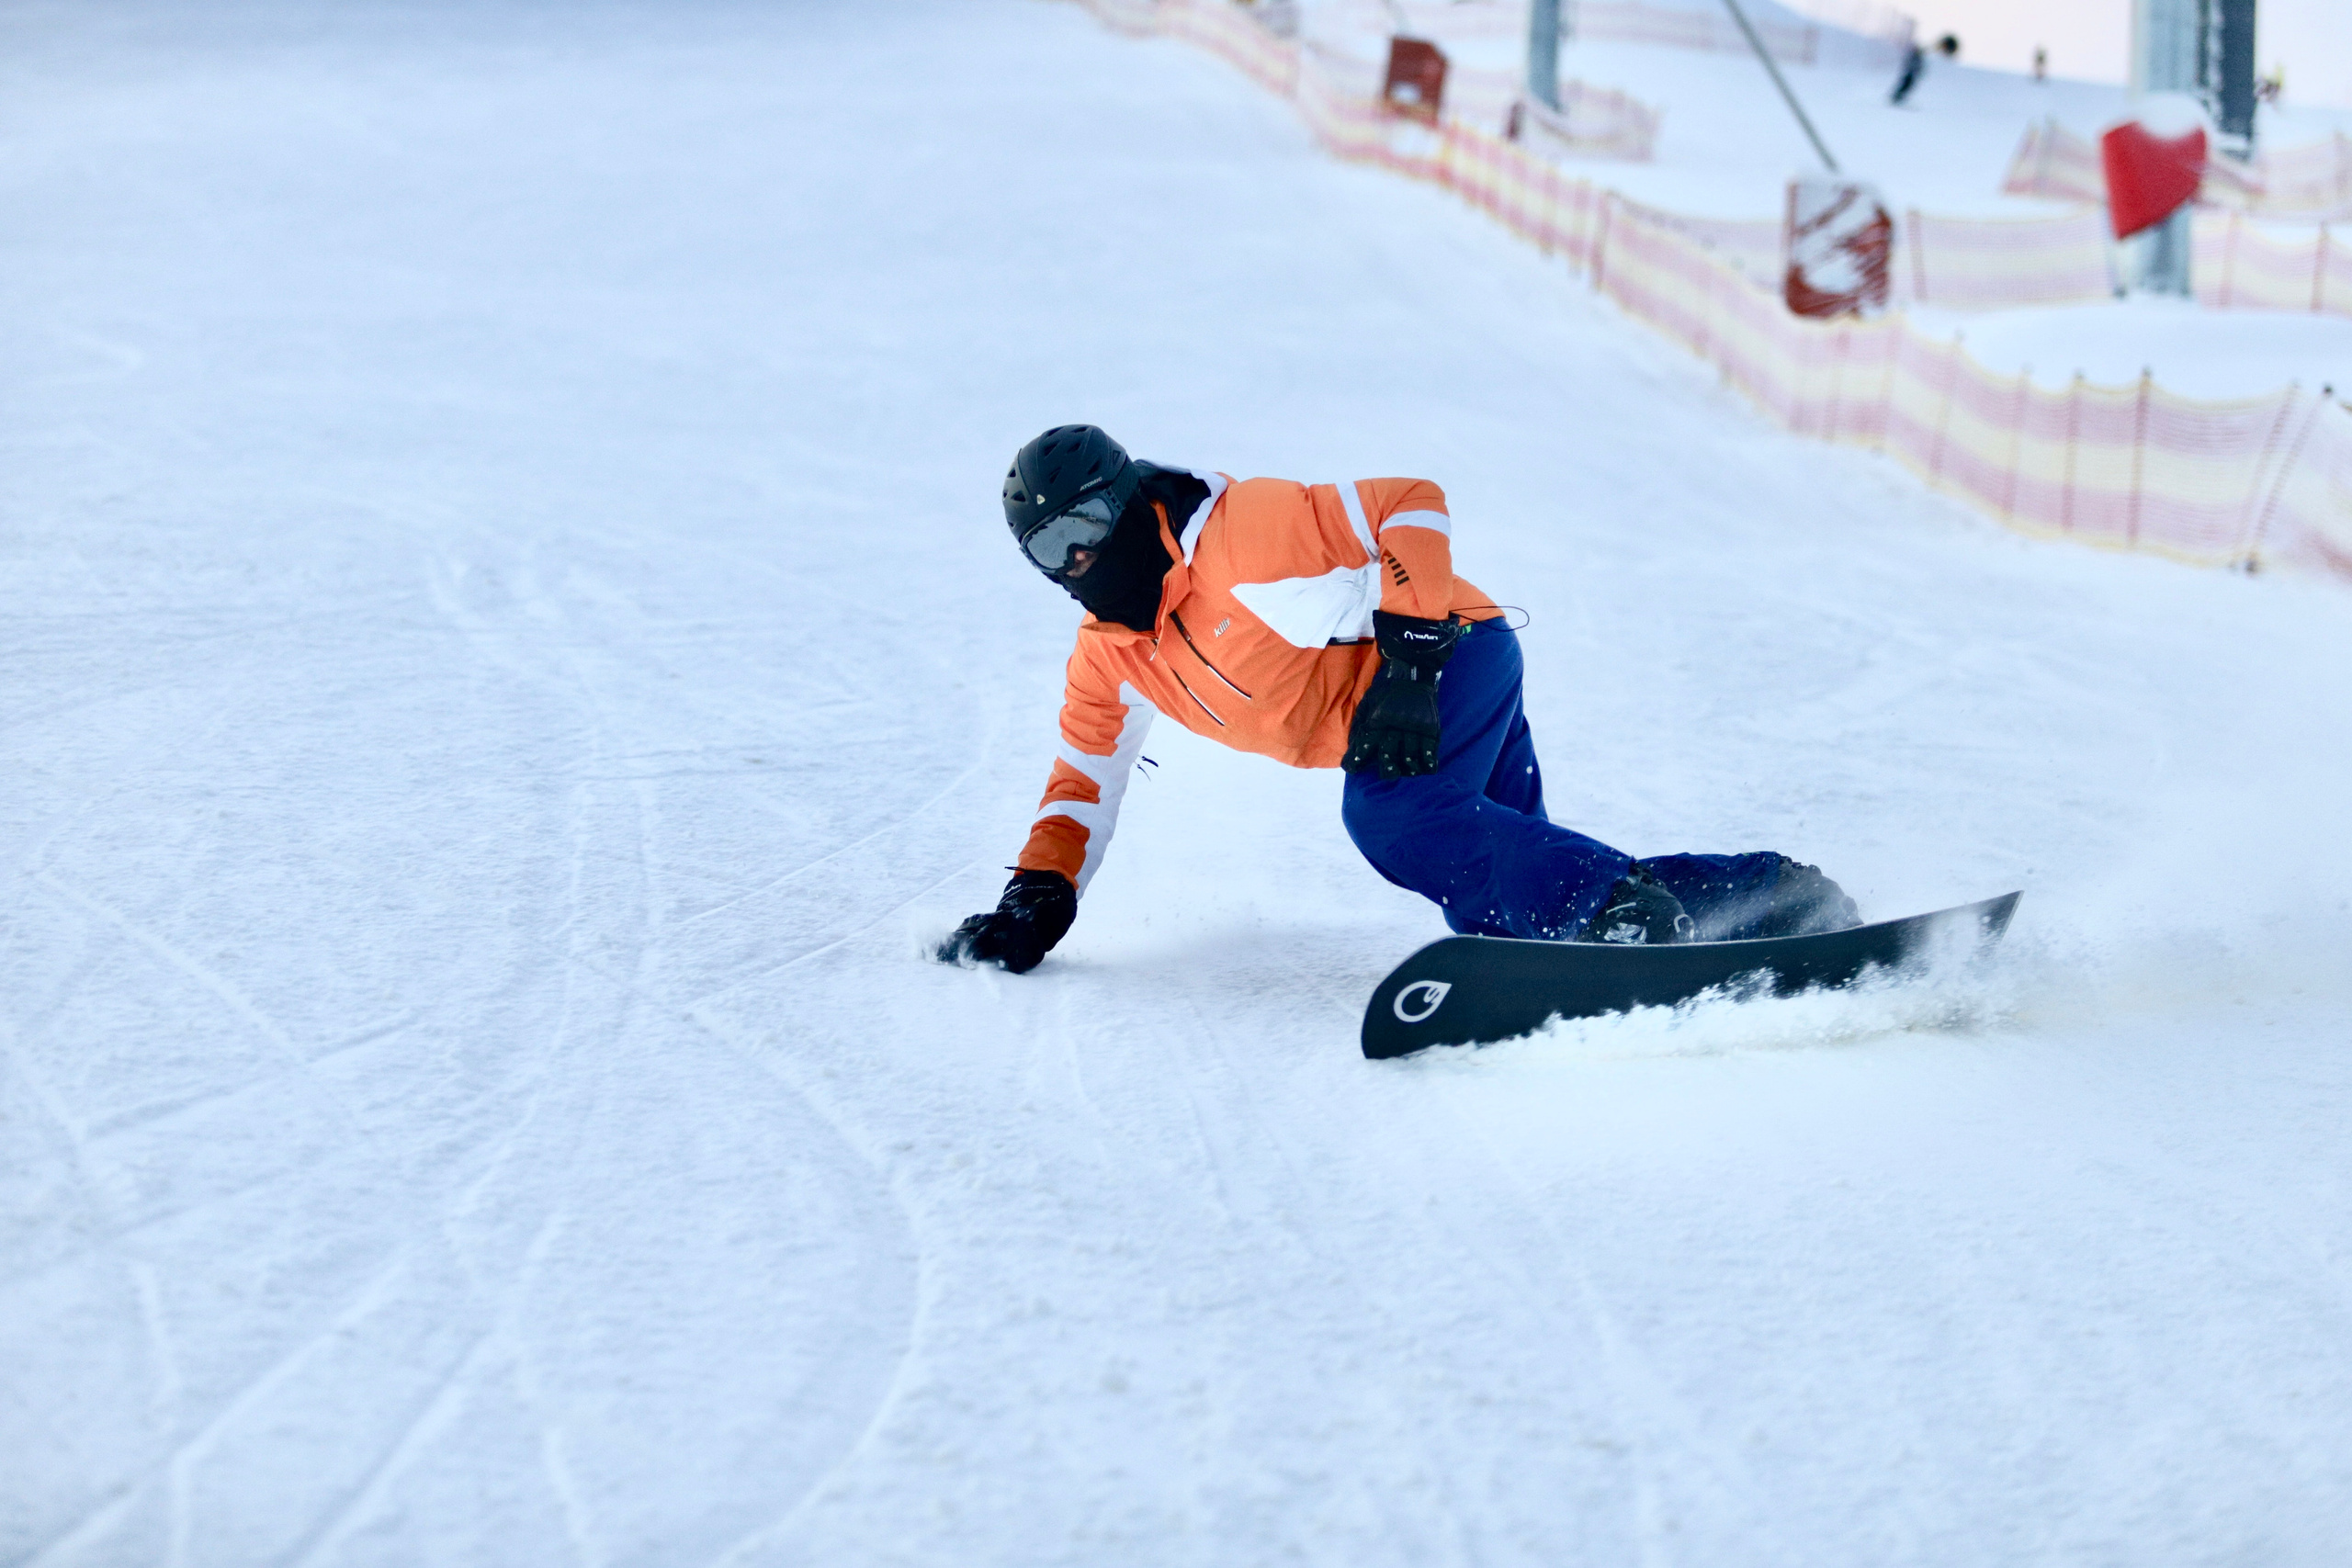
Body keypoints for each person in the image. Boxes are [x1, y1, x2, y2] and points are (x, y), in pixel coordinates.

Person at [939, 425, 1859, 974]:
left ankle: (1623, 918)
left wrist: (1412, 663)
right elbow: (1081, 784)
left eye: (1087, 523)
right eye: (1049, 546)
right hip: (1403, 704)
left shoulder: (1242, 536)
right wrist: (1037, 897)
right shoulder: (1110, 660)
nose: (1077, 556)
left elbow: (1408, 503)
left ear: (1129, 498)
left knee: (1394, 817)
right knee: (1509, 896)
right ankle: (1764, 896)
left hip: (1448, 653)